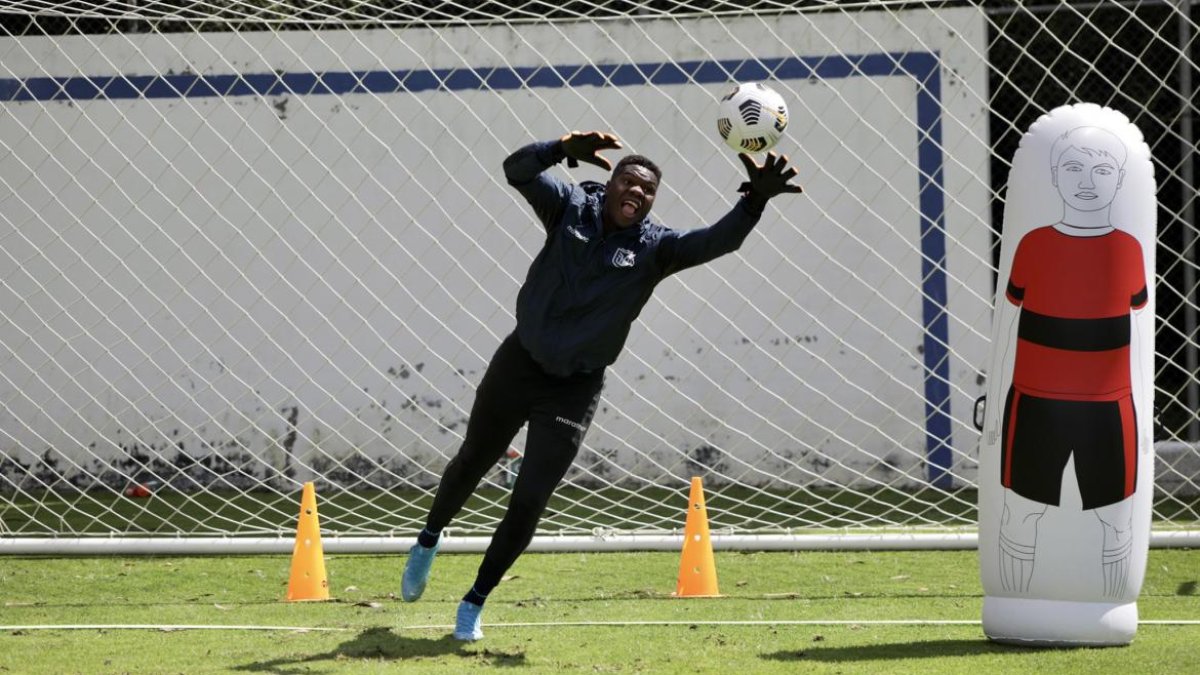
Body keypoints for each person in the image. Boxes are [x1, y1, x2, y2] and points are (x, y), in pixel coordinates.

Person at [401, 130, 803, 641]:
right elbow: (515, 170)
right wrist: (560, 148)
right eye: (629, 181)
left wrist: (755, 202)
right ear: (610, 184)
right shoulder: (569, 207)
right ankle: (428, 539)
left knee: (529, 500)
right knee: (472, 462)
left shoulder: (656, 248)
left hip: (575, 387)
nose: (637, 191)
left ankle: (473, 603)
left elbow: (715, 242)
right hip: (519, 364)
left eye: (648, 189)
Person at [984, 126, 1148, 597]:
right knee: (1020, 512)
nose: (1086, 181)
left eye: (1101, 171)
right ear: (1055, 177)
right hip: (1035, 404)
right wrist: (995, 410)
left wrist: (1143, 418)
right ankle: (1014, 604)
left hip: (1109, 408)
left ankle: (1111, 608)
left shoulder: (1129, 249)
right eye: (1074, 168)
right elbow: (1010, 328)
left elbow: (1137, 335)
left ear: (1118, 180)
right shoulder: (1032, 244)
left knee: (1116, 521)